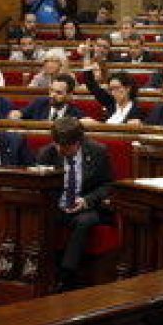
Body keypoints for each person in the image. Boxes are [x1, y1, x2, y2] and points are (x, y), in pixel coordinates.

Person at [36, 116, 113, 291]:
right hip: (57, 206)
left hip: (86, 206)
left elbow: (108, 185)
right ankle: (43, 272)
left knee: (83, 222)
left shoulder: (98, 152)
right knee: (40, 218)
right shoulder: (46, 154)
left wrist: (87, 201)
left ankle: (66, 274)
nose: (60, 150)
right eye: (57, 144)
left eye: (66, 146)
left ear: (78, 142)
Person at [20, 74, 85, 121]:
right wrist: (15, 114)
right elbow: (20, 114)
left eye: (58, 93)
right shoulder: (39, 103)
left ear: (69, 95)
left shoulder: (75, 113)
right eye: (51, 90)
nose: (52, 95)